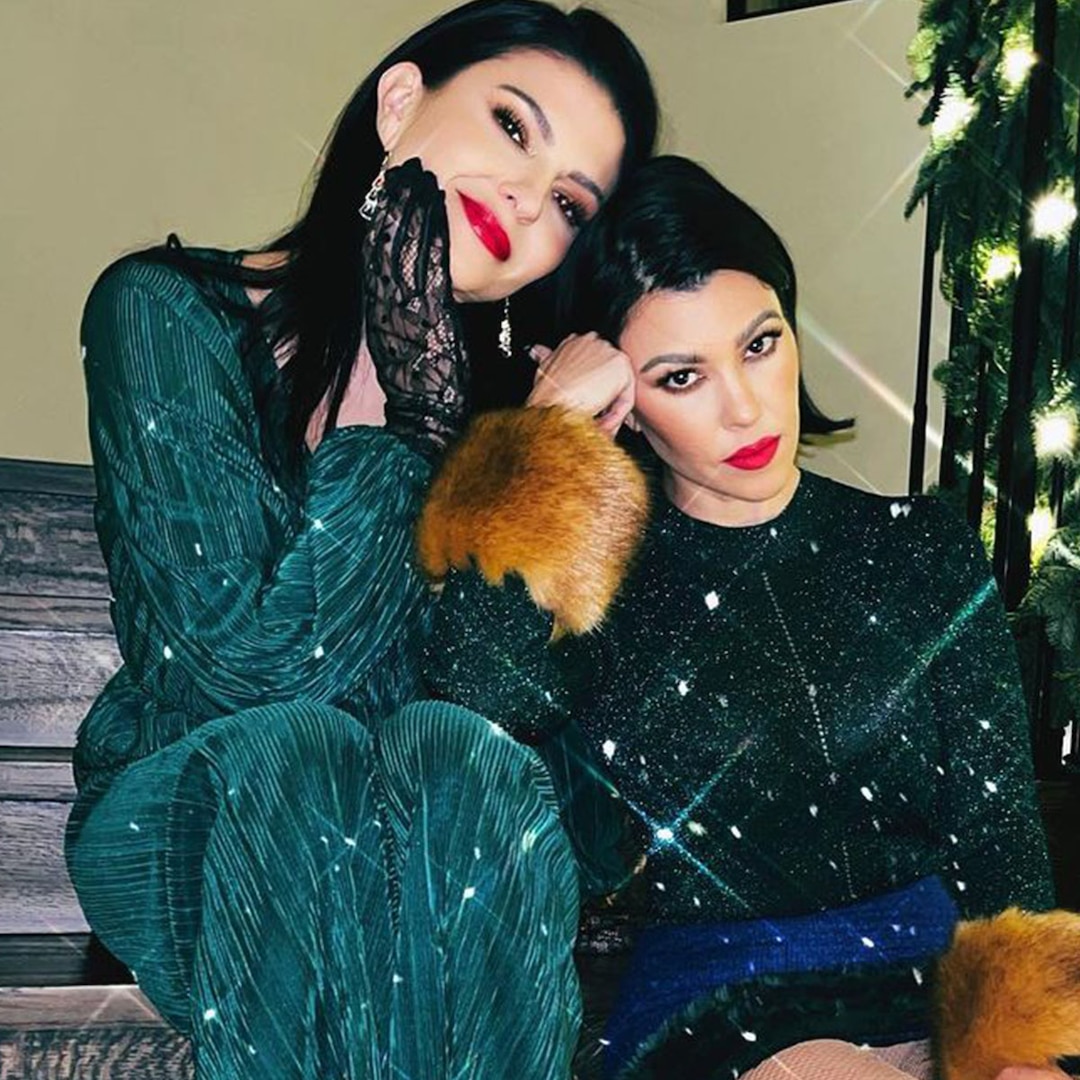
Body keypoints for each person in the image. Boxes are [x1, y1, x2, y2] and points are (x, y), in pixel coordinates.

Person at [64, 5, 658, 1078]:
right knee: (302, 757)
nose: (529, 199)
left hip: (418, 869)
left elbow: (536, 765)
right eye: (513, 126)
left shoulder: (517, 422)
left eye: (570, 203)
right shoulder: (164, 311)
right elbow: (237, 672)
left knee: (459, 763)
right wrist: (414, 430)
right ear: (398, 104)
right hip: (200, 817)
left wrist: (530, 466)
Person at [419, 156, 1070, 1080]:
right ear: (626, 406)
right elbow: (473, 697)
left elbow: (1000, 839)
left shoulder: (920, 545)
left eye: (759, 345)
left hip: (933, 988)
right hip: (717, 1007)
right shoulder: (598, 576)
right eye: (682, 377)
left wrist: (1026, 1049)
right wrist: (544, 438)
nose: (744, 406)